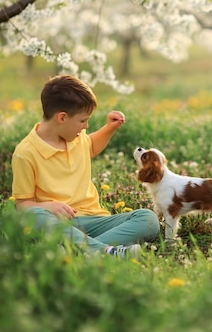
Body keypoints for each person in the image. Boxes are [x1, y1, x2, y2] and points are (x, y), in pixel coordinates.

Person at [11, 74, 160, 258]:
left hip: (95, 221)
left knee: (148, 219)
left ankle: (81, 251)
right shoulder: (26, 153)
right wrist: (49, 206)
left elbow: (91, 146)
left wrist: (109, 128)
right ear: (62, 118)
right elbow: (22, 205)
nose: (86, 126)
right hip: (59, 223)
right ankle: (104, 251)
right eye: (83, 121)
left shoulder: (76, 138)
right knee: (35, 214)